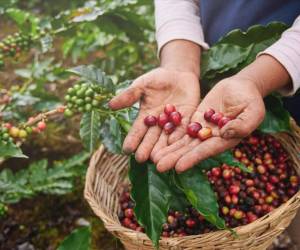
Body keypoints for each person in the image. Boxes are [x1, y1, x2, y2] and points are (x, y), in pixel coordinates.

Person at [109, 0, 300, 247]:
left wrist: (258, 79)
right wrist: (180, 65)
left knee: (293, 195)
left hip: (290, 73)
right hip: (216, 68)